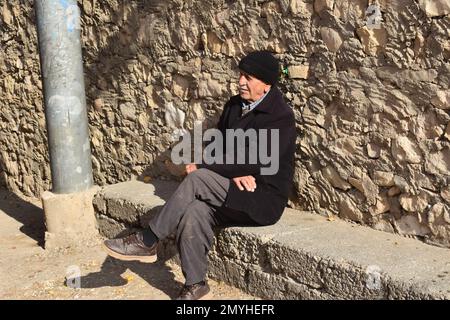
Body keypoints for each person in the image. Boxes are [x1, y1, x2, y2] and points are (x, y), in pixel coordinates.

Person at [103, 50, 296, 300]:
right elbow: (220, 148)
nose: (240, 81)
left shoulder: (280, 118)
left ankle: (148, 239)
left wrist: (213, 166)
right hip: (231, 188)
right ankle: (196, 284)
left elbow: (258, 161)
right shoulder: (234, 106)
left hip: (261, 197)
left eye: (248, 77)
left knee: (197, 177)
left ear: (266, 85)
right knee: (194, 211)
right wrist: (232, 172)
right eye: (240, 75)